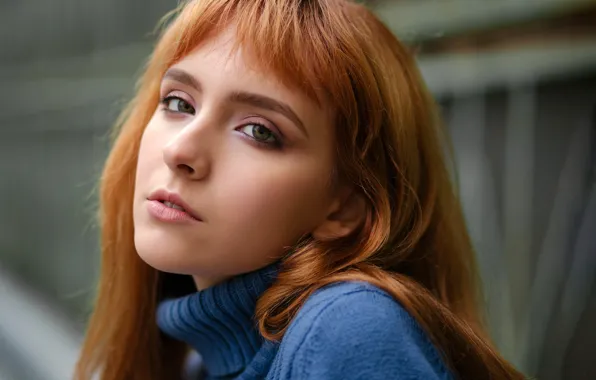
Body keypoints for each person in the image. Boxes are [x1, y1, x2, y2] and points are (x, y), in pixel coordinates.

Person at [75, 0, 525, 379]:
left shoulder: (351, 331)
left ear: (344, 207)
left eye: (259, 131)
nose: (181, 150)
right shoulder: (200, 363)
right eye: (178, 103)